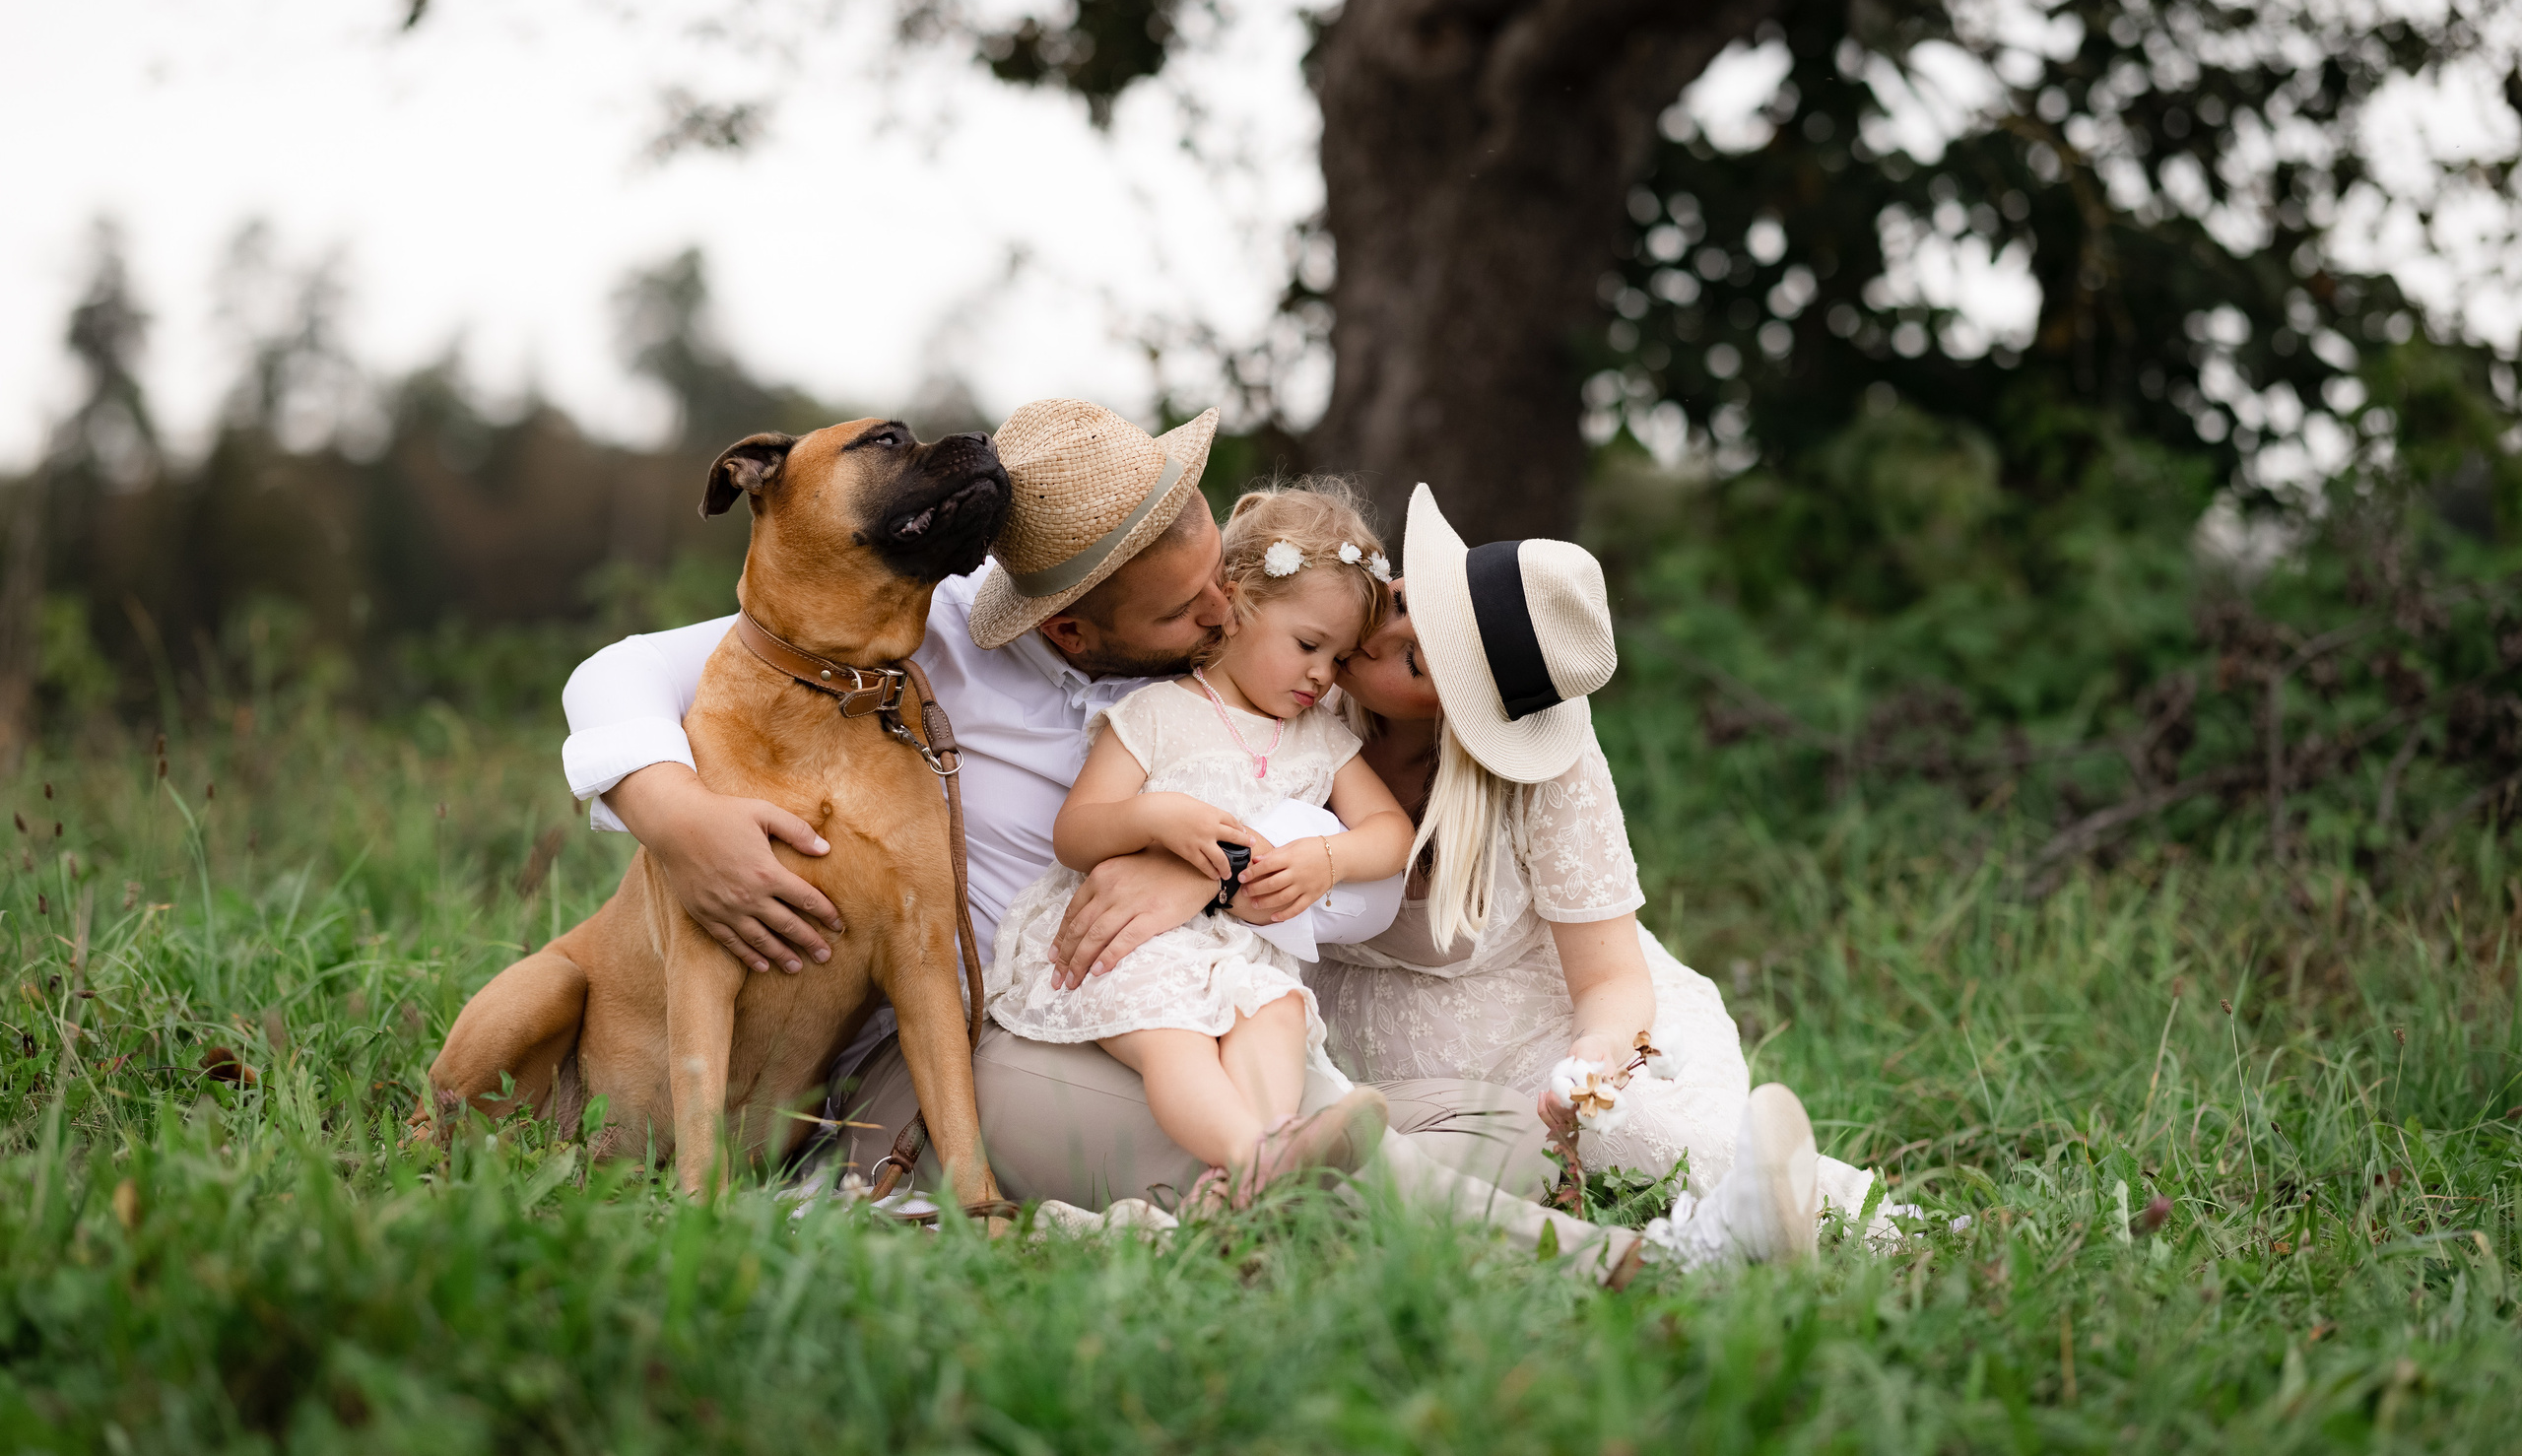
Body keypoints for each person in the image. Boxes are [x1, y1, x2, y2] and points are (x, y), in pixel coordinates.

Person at [561, 401, 1649, 1284]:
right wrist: (678, 815)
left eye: (1222, 578)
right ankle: (1586, 1255)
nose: (1226, 619)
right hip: (1025, 1033)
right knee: (1297, 1135)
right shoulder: (916, 640)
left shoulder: (1260, 669)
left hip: (1218, 1008)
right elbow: (626, 672)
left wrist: (1199, 874)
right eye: (1187, 613)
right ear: (1070, 628)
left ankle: (1178, 1222)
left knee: (1496, 1129)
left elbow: (1352, 848)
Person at [1308, 486, 1880, 1262]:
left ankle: (1850, 1223)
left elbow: (1611, 977)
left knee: (1632, 1129)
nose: (1380, 633)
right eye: (1408, 599)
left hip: (1536, 1018)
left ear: (1457, 712)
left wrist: (1592, 1060)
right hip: (1335, 1033)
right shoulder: (1298, 682)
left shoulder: (1543, 769)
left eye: (1413, 659)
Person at [986, 483, 1412, 1209]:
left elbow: (1392, 834)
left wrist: (1326, 859)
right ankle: (1257, 1161)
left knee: (1275, 1011)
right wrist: (1156, 816)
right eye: (1308, 645)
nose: (1322, 675)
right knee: (1174, 1036)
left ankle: (1253, 1170)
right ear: (1237, 605)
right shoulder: (1155, 713)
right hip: (1134, 942)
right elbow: (1076, 833)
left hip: (1238, 951)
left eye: (1340, 659)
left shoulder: (1322, 740)